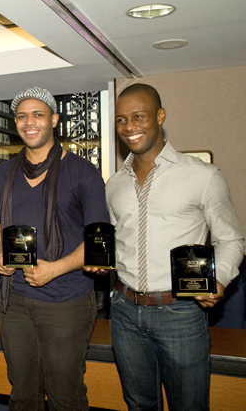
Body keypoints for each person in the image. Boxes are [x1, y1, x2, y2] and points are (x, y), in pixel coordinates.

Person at [91, 83, 244, 410]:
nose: (129, 127)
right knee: (138, 404)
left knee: (188, 405)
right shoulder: (114, 184)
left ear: (160, 116)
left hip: (181, 311)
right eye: (120, 119)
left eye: (138, 116)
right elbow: (117, 240)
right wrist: (98, 259)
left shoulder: (202, 176)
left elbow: (230, 240)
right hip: (125, 310)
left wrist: (220, 279)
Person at [0, 87, 109, 411]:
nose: (30, 122)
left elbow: (101, 243)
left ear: (54, 120)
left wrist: (55, 268)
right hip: (14, 302)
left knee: (64, 395)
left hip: (66, 302)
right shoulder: (3, 174)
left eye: (38, 114)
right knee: (22, 394)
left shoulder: (82, 172)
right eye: (22, 116)